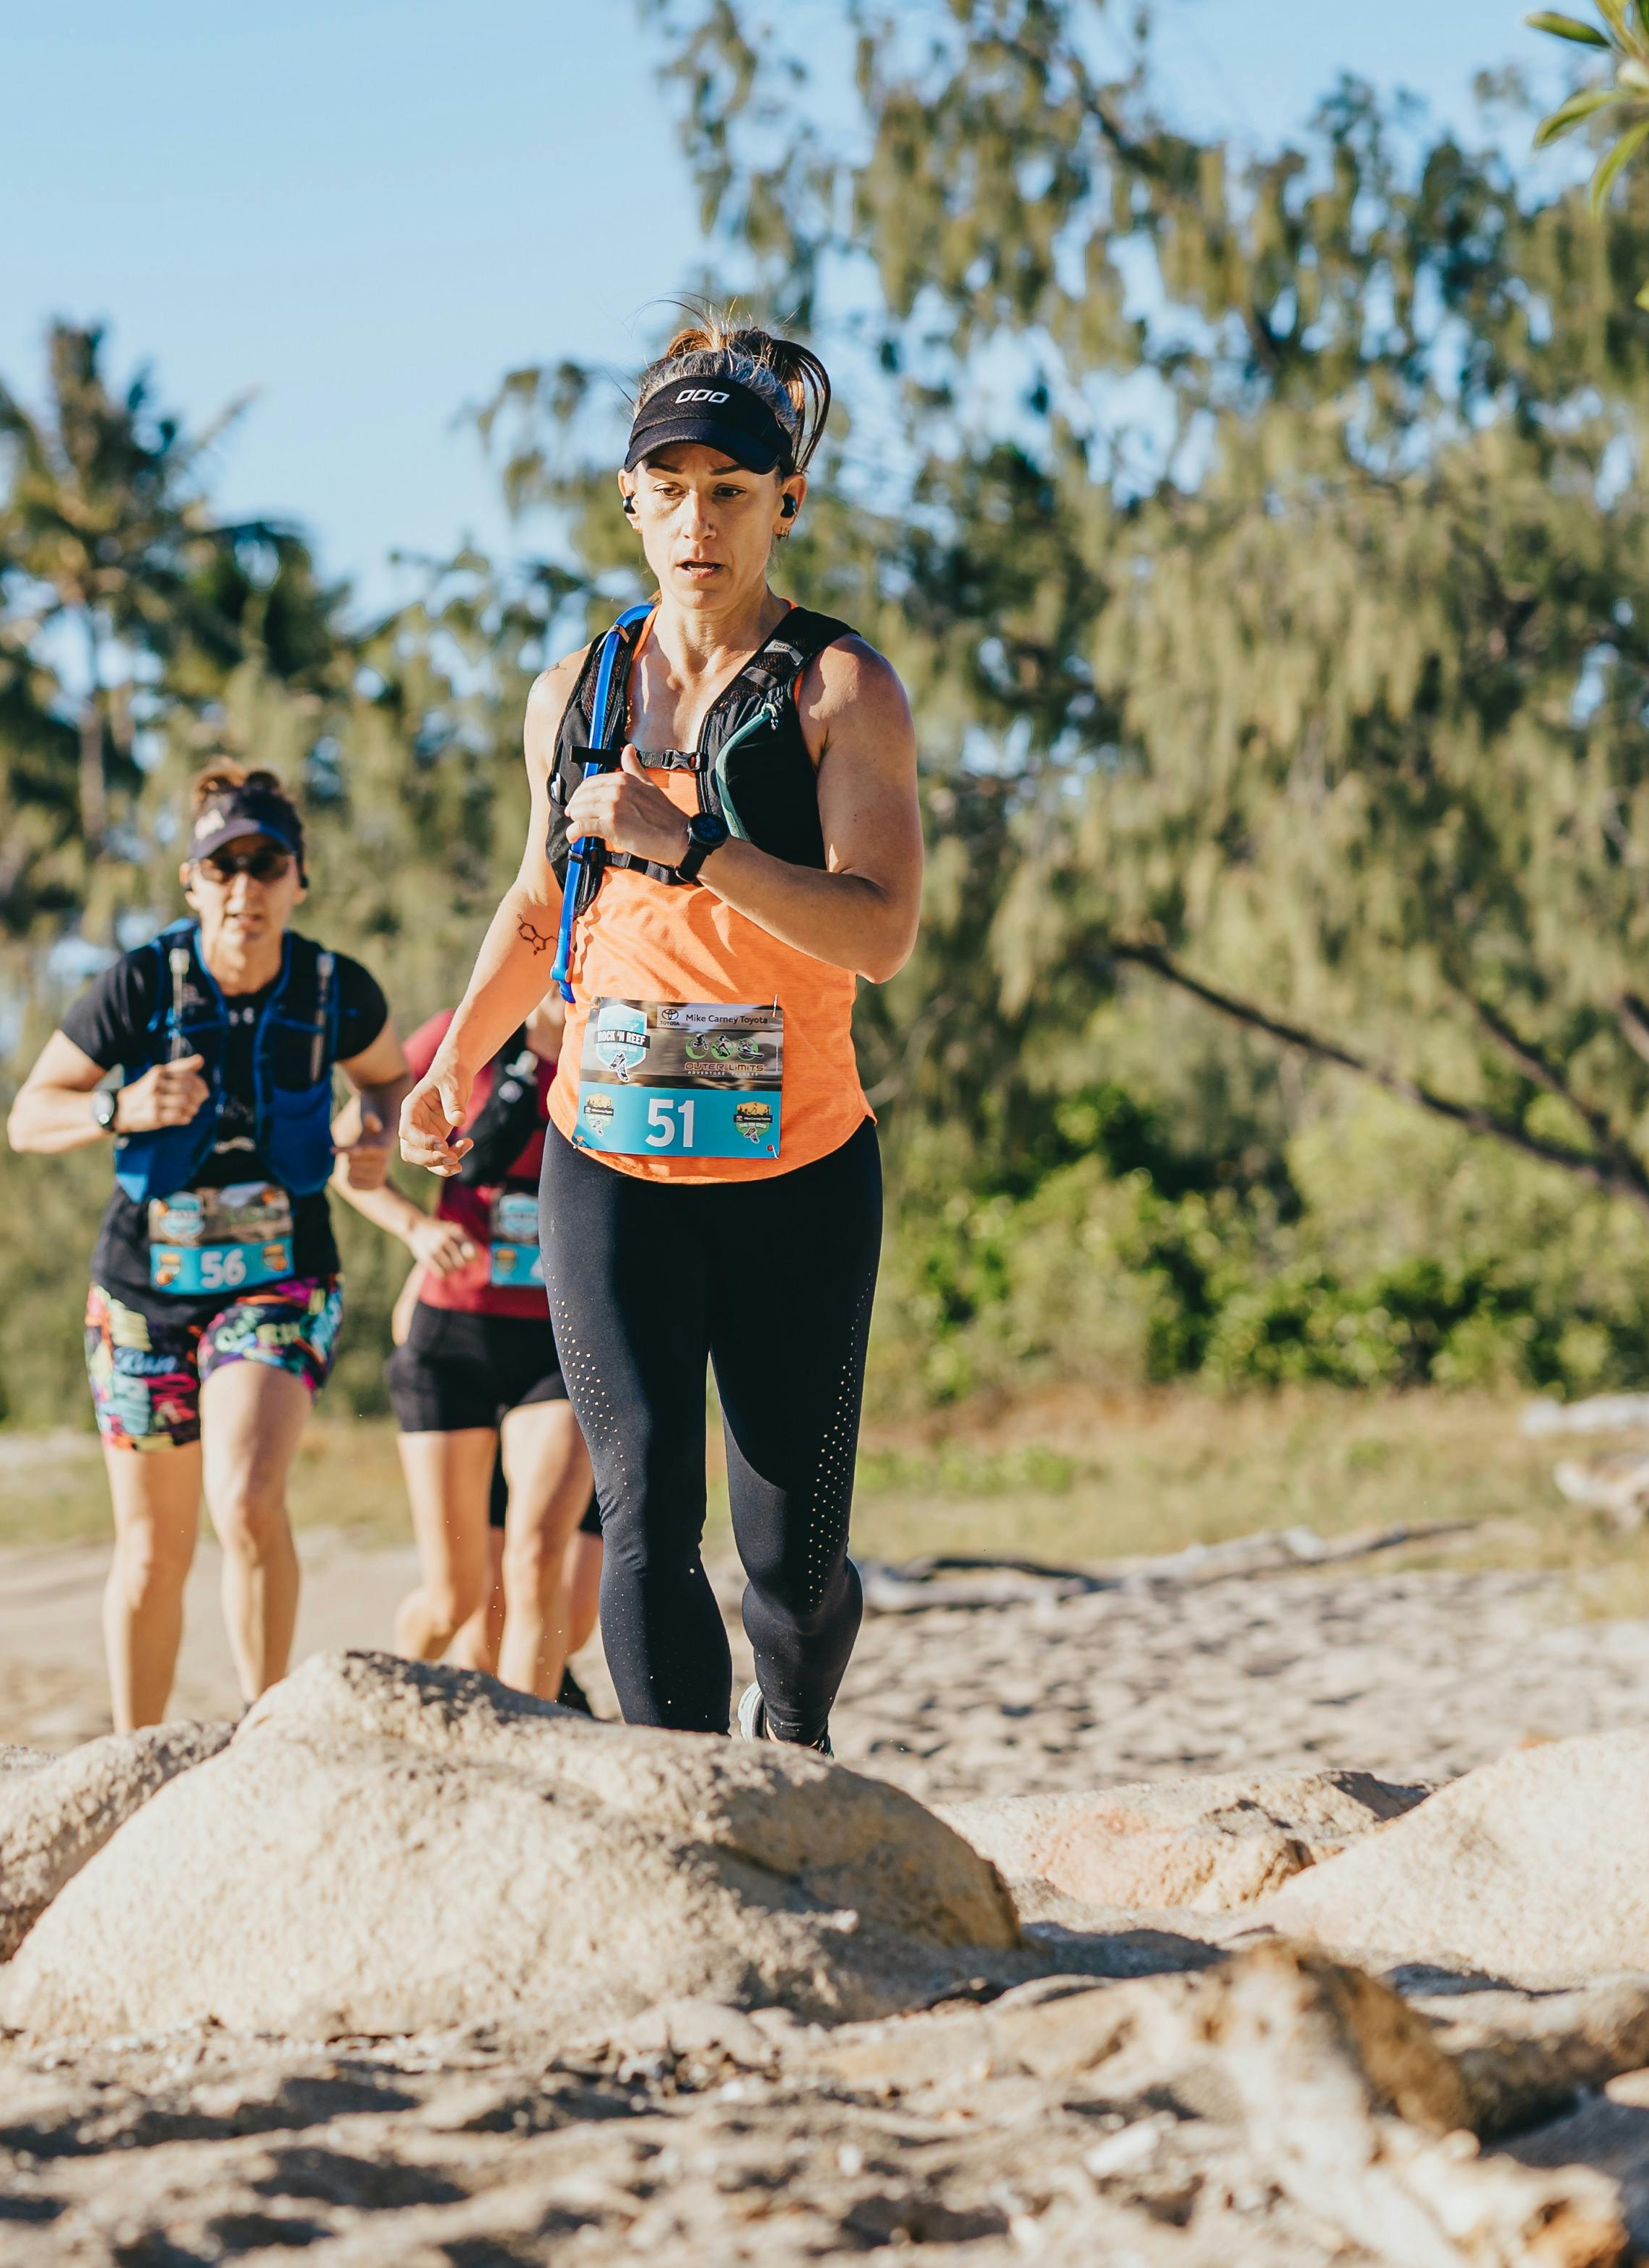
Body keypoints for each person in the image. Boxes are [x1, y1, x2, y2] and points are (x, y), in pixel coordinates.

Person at [399, 313, 922, 1752]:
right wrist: (454, 1067)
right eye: (671, 486)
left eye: (732, 491)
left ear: (784, 503)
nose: (699, 519)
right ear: (628, 499)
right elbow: (532, 903)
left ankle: (793, 1743)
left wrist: (690, 846)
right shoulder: (570, 693)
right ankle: (692, 1806)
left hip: (797, 1169)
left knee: (790, 1559)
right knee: (635, 1516)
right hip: (607, 1161)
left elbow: (878, 932)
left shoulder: (837, 689)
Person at [6, 764, 408, 1730]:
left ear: (297, 879)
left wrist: (373, 1129)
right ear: (191, 883)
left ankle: (259, 1730)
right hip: (143, 1289)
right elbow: (28, 1114)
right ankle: (134, 1757)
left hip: (278, 1282)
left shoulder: (334, 985)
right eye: (222, 867)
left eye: (266, 864)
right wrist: (119, 1103)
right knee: (151, 1549)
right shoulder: (138, 983)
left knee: (244, 1493)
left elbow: (390, 1082)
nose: (245, 888)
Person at [341, 1000, 601, 1704]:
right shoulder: (470, 1029)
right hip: (455, 1333)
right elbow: (349, 1153)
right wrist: (415, 1229)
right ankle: (391, 1702)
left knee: (547, 1577)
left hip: (562, 1333)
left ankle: (521, 1755)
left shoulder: (617, 1029)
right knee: (459, 1601)